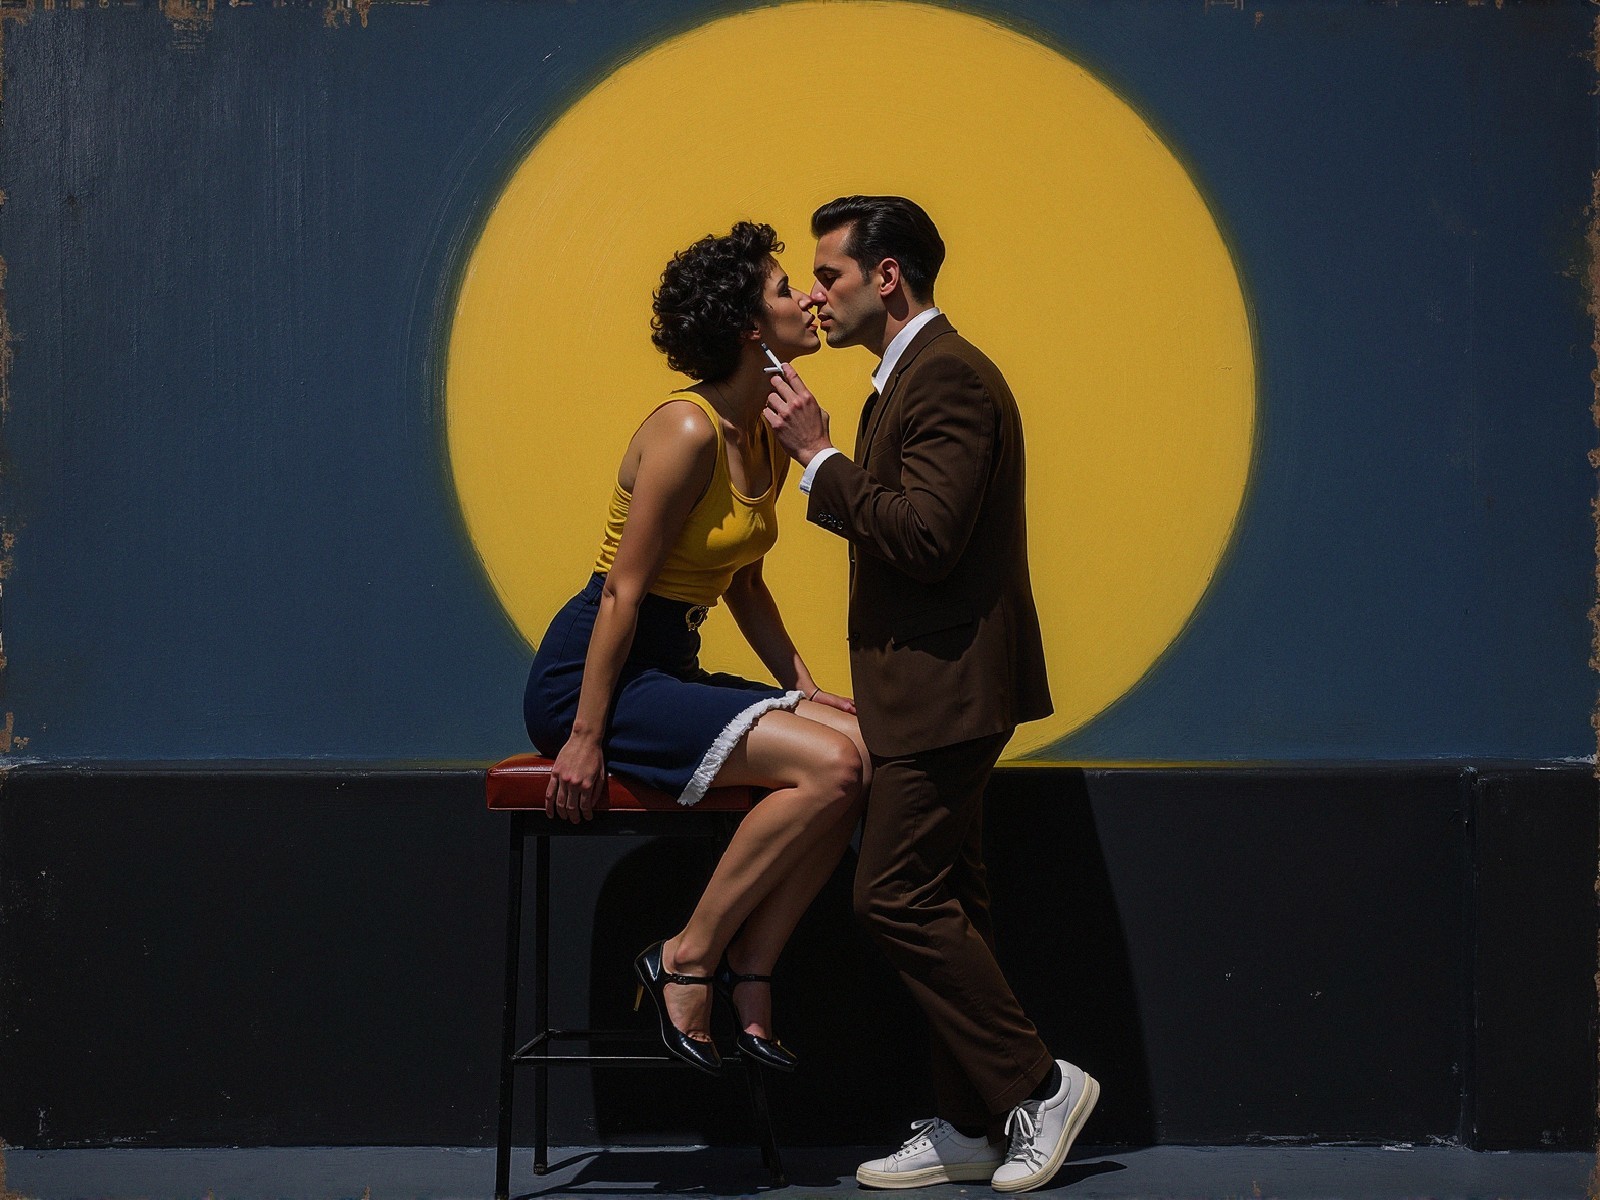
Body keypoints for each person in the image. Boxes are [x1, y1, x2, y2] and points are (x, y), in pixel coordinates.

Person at [762, 195, 1099, 1192]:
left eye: (829, 274)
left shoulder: (948, 377)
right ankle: (970, 1121)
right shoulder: (908, 379)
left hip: (949, 690)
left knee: (893, 892)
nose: (817, 293)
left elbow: (925, 536)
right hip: (926, 689)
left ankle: (1037, 1088)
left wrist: (817, 458)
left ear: (888, 276)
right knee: (951, 895)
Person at [523, 221, 869, 1077]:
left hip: (663, 668)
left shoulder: (768, 433)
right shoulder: (688, 430)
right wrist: (586, 736)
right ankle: (685, 958)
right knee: (829, 770)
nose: (808, 301)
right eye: (788, 290)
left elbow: (744, 582)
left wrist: (806, 687)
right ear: (751, 326)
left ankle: (751, 977)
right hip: (593, 676)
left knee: (859, 750)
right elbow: (622, 592)